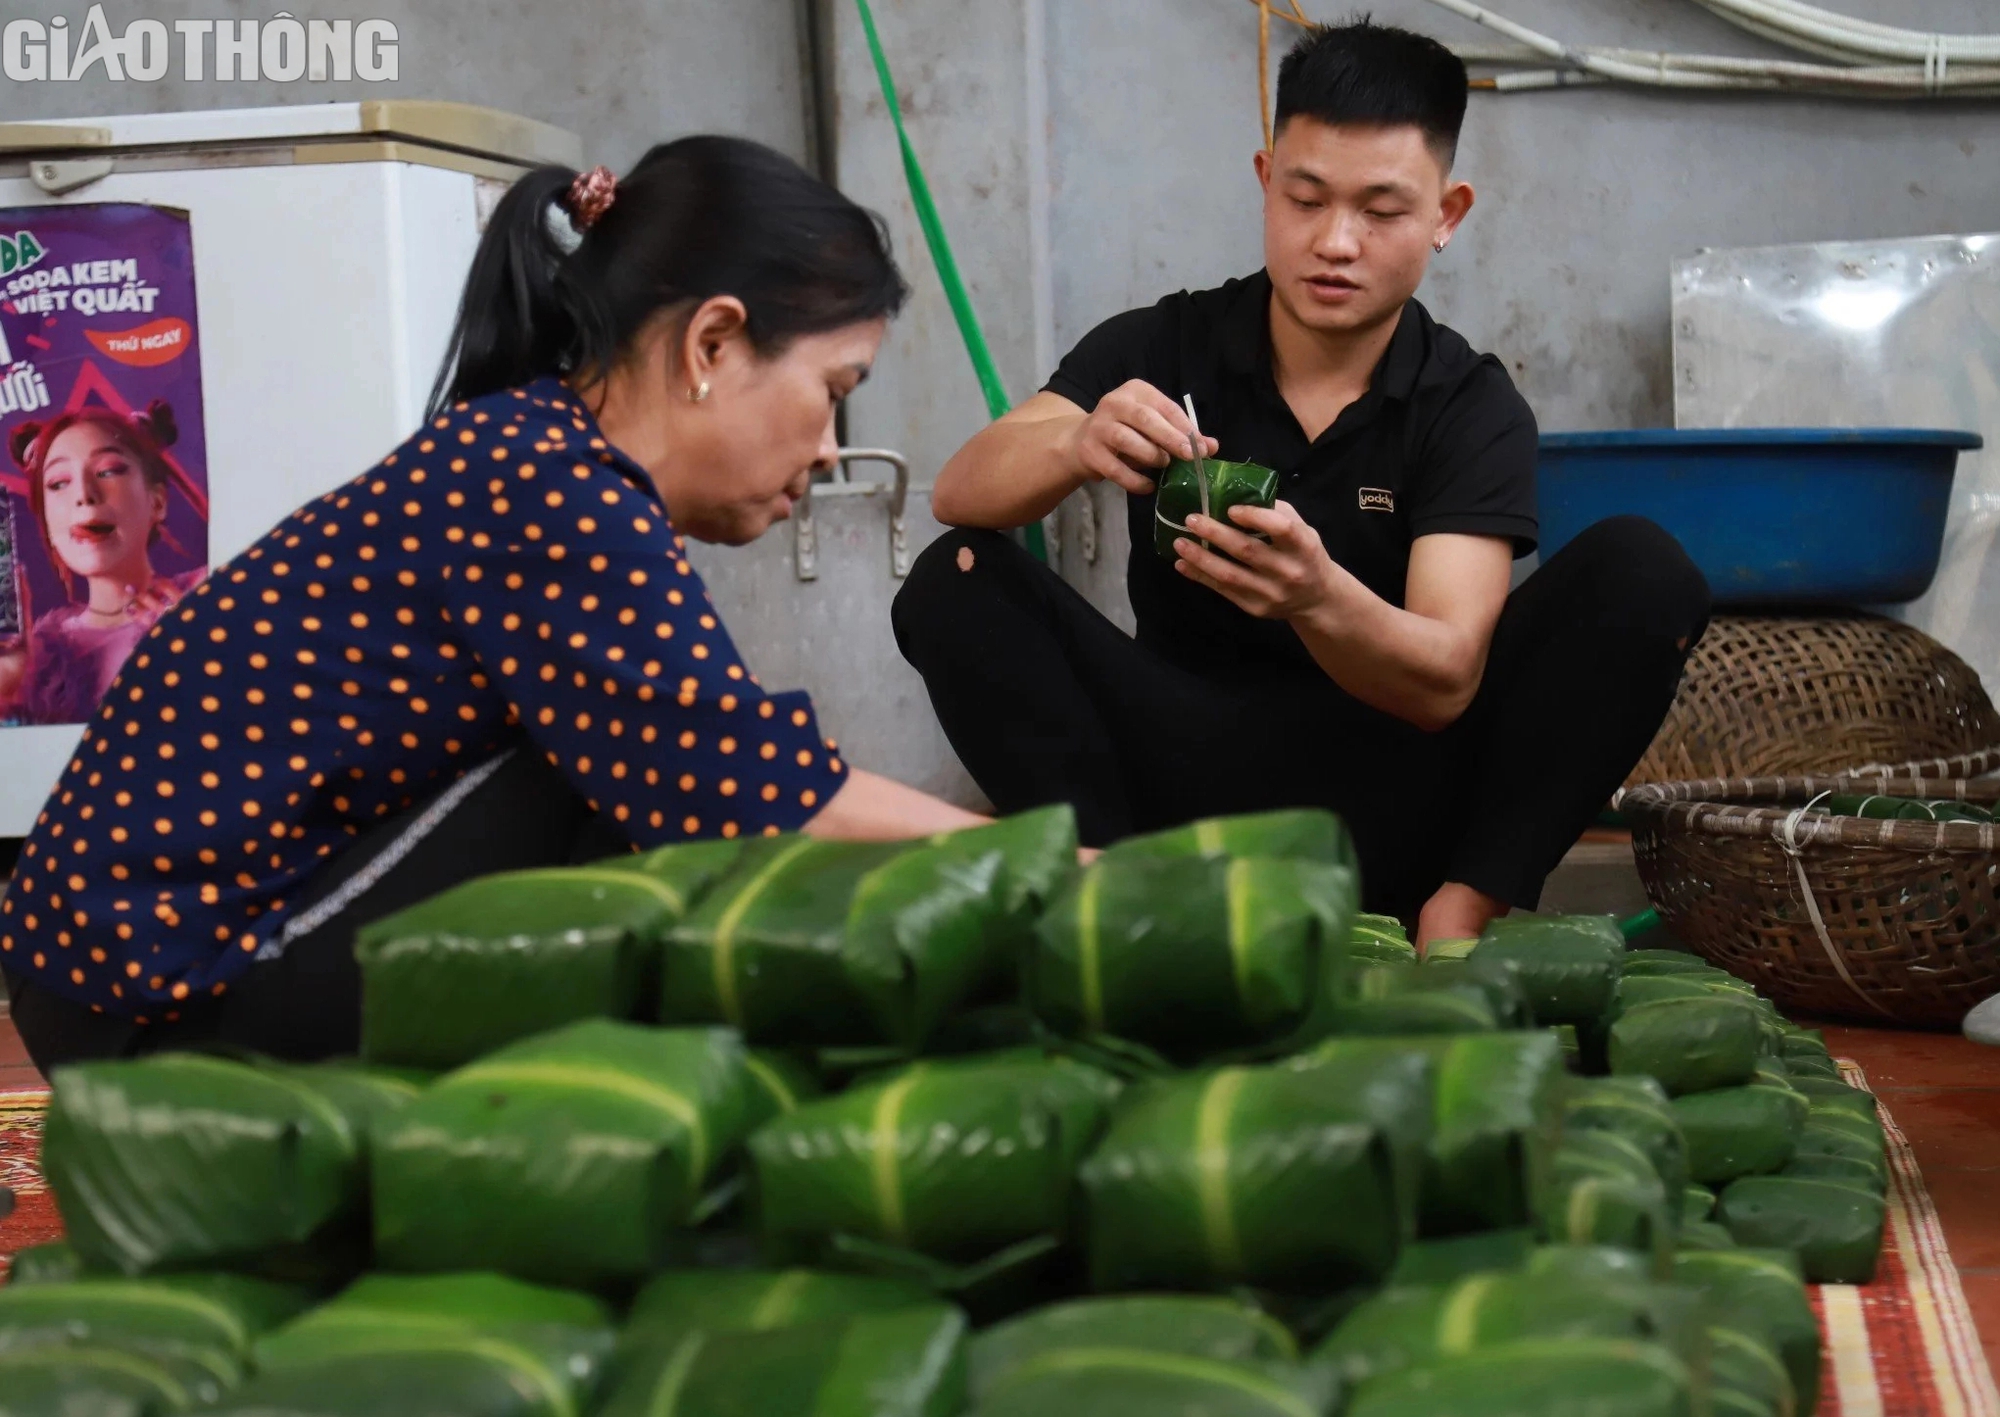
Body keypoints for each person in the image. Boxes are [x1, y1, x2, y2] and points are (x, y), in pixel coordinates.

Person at [0, 136, 989, 1074]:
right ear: (713, 343)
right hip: (151, 1003)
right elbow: (758, 799)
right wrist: (1053, 872)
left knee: (634, 779)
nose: (826, 448)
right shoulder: (549, 490)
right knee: (623, 792)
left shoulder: (533, 457)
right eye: (833, 387)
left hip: (126, 980)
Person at [895, 21, 1710, 946]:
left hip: (1394, 800)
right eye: (1306, 198)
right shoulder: (1163, 345)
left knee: (1644, 572)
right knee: (957, 575)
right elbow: (962, 492)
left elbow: (1444, 678)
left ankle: (1460, 910)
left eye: (1382, 211)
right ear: (1264, 181)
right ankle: (1115, 899)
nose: (1336, 242)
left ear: (1447, 214)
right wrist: (1076, 439)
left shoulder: (1467, 404)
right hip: (1177, 783)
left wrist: (1319, 597)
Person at [0, 403, 204, 726]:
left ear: (158, 502)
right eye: (58, 483)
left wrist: (208, 655)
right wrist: (8, 688)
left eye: (108, 470)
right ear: (47, 524)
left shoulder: (209, 597)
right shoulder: (37, 658)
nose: (84, 494)